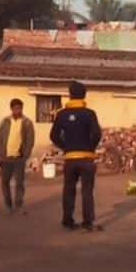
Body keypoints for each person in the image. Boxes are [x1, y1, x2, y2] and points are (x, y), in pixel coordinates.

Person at [50, 81, 103, 232]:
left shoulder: (62, 114)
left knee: (69, 189)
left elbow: (53, 136)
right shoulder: (90, 114)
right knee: (87, 190)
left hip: (70, 159)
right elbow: (97, 134)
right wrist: (90, 148)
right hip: (86, 158)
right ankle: (87, 222)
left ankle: (67, 221)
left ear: (70, 95)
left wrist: (66, 147)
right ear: (84, 95)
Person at [0, 98, 35, 214]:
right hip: (6, 157)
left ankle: (18, 205)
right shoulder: (5, 122)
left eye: (20, 108)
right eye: (16, 108)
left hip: (19, 158)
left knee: (19, 183)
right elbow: (0, 139)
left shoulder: (27, 122)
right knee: (4, 182)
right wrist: (0, 155)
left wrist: (26, 155)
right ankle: (8, 205)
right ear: (12, 109)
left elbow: (30, 140)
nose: (18, 110)